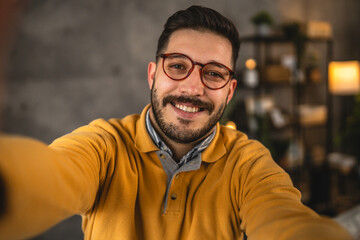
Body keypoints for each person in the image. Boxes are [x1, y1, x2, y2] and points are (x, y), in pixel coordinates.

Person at [0, 5, 352, 240]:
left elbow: (287, 220)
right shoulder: (104, 146)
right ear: (153, 75)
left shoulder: (248, 164)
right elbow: (49, 175)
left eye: (213, 73)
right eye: (178, 66)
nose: (193, 87)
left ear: (229, 92)